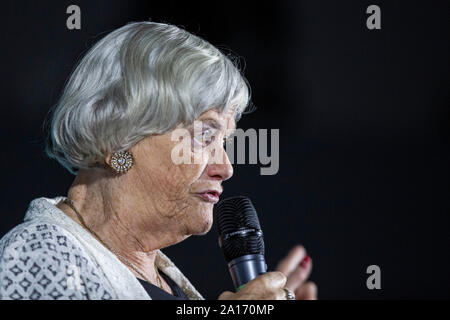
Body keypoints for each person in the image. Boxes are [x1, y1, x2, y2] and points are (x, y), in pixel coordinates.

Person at [0, 21, 317, 300]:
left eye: (225, 142)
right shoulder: (36, 256)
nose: (227, 167)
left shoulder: (162, 278)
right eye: (205, 136)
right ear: (116, 139)